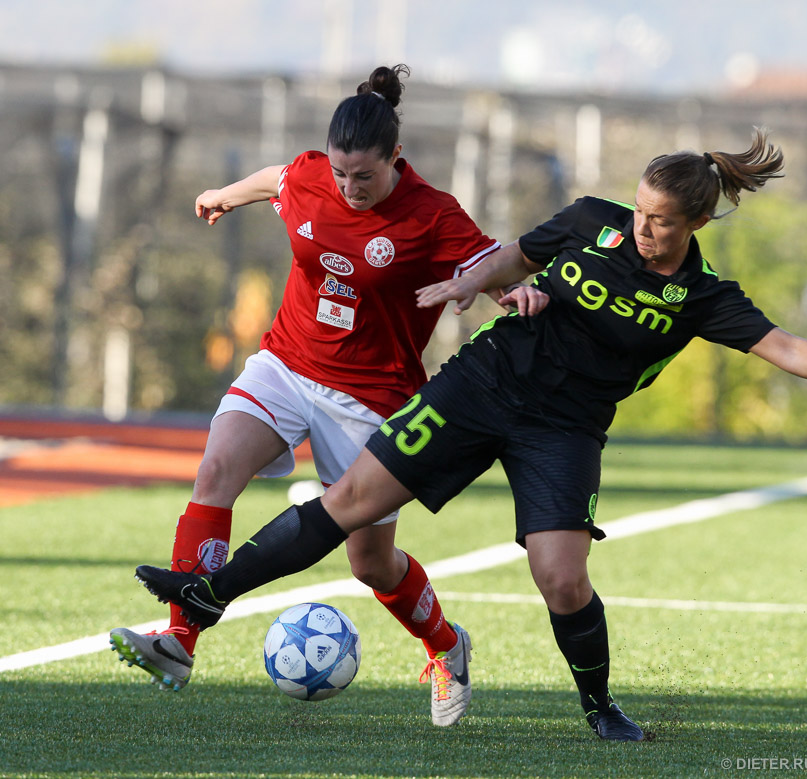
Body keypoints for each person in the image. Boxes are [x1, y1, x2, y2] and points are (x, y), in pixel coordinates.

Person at [132, 128, 807, 741]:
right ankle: (204, 597)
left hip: (564, 429)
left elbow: (782, 345)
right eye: (640, 212)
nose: (643, 229)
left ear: (698, 221)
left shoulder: (704, 297)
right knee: (350, 501)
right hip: (482, 385)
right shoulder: (589, 221)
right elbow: (512, 257)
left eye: (660, 222)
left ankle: (601, 706)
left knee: (561, 578)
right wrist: (475, 285)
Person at [109, 64, 544, 727]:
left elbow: (488, 264)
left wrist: (515, 292)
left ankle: (446, 645)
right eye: (340, 174)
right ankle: (179, 641)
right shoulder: (315, 175)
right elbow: (281, 177)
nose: (348, 187)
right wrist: (227, 193)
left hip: (372, 400)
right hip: (286, 363)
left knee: (371, 563)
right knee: (216, 469)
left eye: (363, 176)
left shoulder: (431, 215)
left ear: (396, 158)